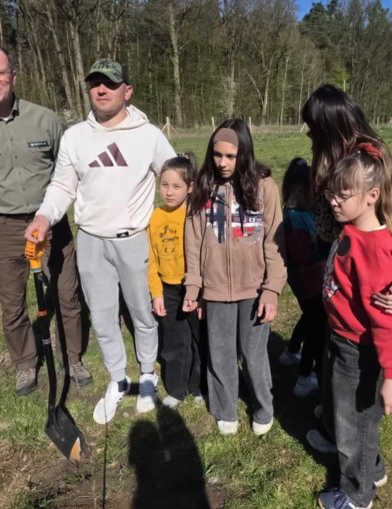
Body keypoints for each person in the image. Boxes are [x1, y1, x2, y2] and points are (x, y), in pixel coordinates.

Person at [24, 59, 176, 424]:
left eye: (110, 83)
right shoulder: (76, 136)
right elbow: (62, 185)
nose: (101, 90)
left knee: (142, 312)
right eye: (95, 83)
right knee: (105, 316)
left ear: (128, 90)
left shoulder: (149, 135)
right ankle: (118, 379)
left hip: (136, 240)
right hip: (92, 242)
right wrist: (44, 216)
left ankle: (149, 376)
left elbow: (176, 176)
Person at [0, 44, 90, 397]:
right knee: (12, 303)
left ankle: (72, 358)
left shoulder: (45, 119)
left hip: (50, 223)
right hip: (3, 228)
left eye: (0, 72)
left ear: (14, 76)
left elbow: (64, 168)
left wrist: (48, 209)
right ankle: (26, 364)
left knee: (67, 295)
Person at [309, 142, 392, 509]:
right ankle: (370, 465)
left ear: (372, 196)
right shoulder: (350, 229)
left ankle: (357, 495)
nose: (333, 201)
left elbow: (389, 322)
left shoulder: (377, 250)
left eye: (342, 194)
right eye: (332, 192)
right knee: (343, 411)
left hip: (360, 353)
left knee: (356, 426)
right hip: (339, 336)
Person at [182, 119, 286, 436]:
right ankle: (225, 408)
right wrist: (195, 286)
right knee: (221, 353)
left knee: (254, 355)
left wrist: (271, 290)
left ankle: (263, 407)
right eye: (217, 155)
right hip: (214, 290)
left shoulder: (264, 187)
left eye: (230, 156)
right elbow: (194, 240)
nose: (223, 163)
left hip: (254, 288)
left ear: (243, 153)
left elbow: (274, 242)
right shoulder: (203, 188)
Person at [302, 84, 392, 314]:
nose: (309, 134)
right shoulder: (333, 156)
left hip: (361, 260)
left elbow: (391, 212)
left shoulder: (365, 160)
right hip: (335, 255)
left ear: (331, 126)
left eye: (314, 127)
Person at [148, 152, 204, 408]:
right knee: (173, 339)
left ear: (190, 188)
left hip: (194, 288)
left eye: (177, 186)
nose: (169, 192)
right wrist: (156, 293)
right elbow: (152, 260)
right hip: (168, 289)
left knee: (198, 339)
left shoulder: (196, 216)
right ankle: (176, 389)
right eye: (165, 185)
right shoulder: (155, 217)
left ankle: (198, 386)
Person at [278, 157, 326, 398]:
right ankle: (305, 377)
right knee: (317, 328)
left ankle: (291, 351)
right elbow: (305, 256)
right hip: (308, 282)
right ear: (299, 190)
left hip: (310, 282)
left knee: (310, 317)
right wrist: (327, 248)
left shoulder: (301, 212)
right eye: (313, 190)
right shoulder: (293, 218)